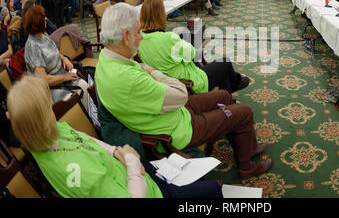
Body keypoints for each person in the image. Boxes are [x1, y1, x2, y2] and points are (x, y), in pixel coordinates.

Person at [95, 3, 273, 180]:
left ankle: (246, 146)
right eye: (137, 32)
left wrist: (148, 70)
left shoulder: (106, 60)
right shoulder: (129, 77)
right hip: (176, 130)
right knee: (243, 112)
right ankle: (246, 168)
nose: (141, 37)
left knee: (224, 96)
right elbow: (180, 94)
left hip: (165, 113)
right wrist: (153, 72)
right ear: (126, 36)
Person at [6, 76, 223, 198]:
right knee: (213, 190)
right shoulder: (75, 171)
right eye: (47, 104)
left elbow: (89, 140)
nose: (52, 108)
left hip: (134, 173)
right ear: (45, 115)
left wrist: (117, 151)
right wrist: (131, 160)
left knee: (197, 176)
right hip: (145, 190)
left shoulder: (50, 132)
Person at [139, 0, 248, 94]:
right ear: (161, 15)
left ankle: (226, 98)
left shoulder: (138, 38)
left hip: (165, 81)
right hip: (188, 81)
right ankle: (235, 84)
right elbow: (193, 55)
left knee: (220, 72)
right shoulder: (168, 38)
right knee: (225, 61)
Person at [24, 5, 88, 108]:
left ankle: (90, 118)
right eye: (43, 17)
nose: (45, 19)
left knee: (84, 85)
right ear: (37, 22)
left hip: (61, 77)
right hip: (51, 88)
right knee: (74, 97)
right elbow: (43, 79)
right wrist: (64, 77)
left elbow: (54, 51)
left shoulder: (43, 35)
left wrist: (64, 58)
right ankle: (83, 119)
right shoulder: (33, 46)